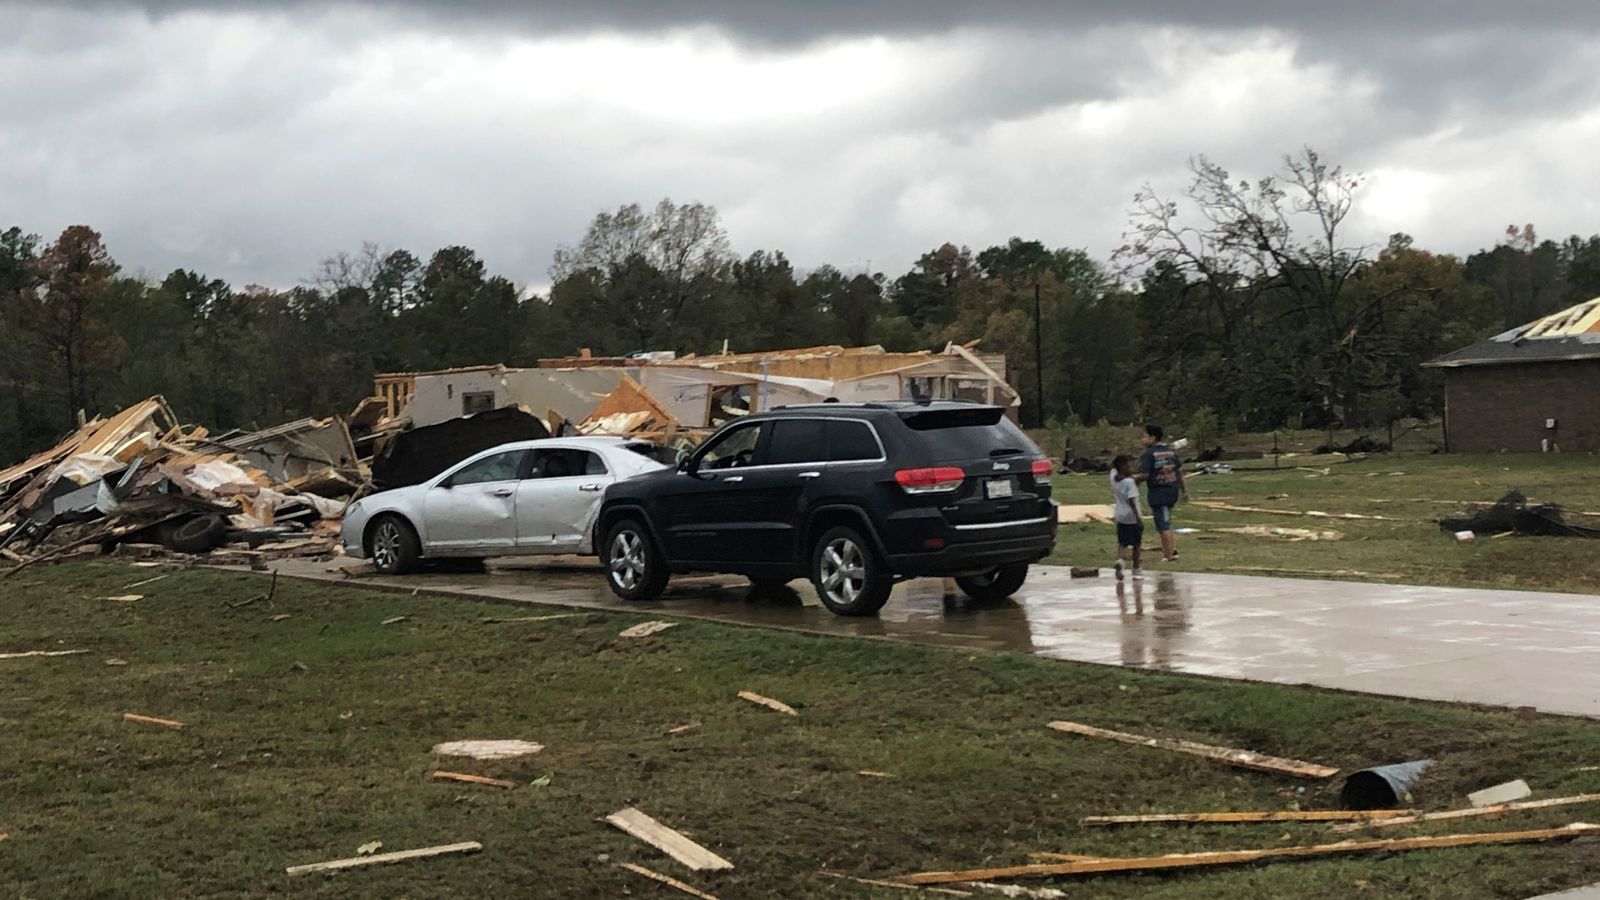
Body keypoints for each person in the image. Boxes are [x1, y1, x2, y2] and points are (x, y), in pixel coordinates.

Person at [1137, 424, 1188, 562]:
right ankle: (1171, 549)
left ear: (1152, 438)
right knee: (1166, 520)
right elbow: (1178, 469)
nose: (1142, 439)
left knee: (1163, 524)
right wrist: (1183, 490)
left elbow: (1145, 474)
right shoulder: (1169, 451)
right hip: (1172, 490)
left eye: (1144, 436)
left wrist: (1131, 479)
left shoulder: (1148, 454)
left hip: (1159, 492)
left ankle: (1169, 555)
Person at [1109, 454, 1142, 581]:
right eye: (1128, 466)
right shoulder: (1130, 483)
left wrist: (1127, 474)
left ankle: (1120, 562)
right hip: (1131, 516)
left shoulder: (1113, 476)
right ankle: (1136, 569)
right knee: (1136, 545)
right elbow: (1132, 500)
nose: (1131, 468)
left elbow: (1114, 470)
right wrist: (1138, 518)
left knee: (1122, 543)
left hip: (1120, 514)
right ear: (1122, 467)